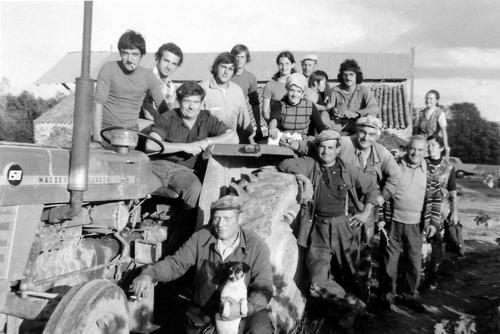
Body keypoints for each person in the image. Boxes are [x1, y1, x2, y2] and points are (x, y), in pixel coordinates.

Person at [131, 195, 274, 334]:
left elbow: (264, 286)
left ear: (239, 219)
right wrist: (150, 274)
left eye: (227, 219)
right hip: (205, 310)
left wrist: (244, 309)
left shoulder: (256, 245)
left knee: (260, 328)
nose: (220, 224)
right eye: (217, 218)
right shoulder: (201, 237)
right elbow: (176, 263)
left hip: (243, 310)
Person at [278, 129, 379, 325]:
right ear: (317, 148)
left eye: (331, 148)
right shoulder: (311, 164)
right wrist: (304, 179)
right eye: (322, 147)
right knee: (317, 283)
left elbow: (372, 189)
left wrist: (365, 213)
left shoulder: (349, 169)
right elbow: (285, 163)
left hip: (344, 227)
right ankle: (355, 306)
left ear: (338, 149)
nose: (326, 152)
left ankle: (354, 314)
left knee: (354, 275)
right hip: (318, 231)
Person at [146, 82, 238, 234]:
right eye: (187, 101)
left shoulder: (207, 119)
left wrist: (207, 141)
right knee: (133, 188)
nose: (191, 107)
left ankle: (185, 238)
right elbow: (151, 145)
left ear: (202, 104)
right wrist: (184, 146)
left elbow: (233, 137)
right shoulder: (168, 118)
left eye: (196, 102)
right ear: (179, 102)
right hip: (157, 167)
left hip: (184, 171)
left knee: (196, 191)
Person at [379, 135, 441, 312]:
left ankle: (409, 296)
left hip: (416, 225)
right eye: (412, 148)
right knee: (389, 262)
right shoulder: (394, 165)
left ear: (425, 152)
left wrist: (434, 222)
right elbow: (381, 191)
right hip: (393, 222)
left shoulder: (430, 171)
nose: (416, 152)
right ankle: (385, 298)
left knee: (414, 264)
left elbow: (437, 197)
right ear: (407, 148)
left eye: (420, 150)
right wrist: (381, 218)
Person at [93, 30, 165, 143]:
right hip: (106, 129)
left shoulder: (148, 77)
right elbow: (98, 103)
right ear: (120, 53)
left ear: (142, 55)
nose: (130, 59)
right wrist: (97, 136)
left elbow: (163, 107)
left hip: (131, 133)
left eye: (135, 54)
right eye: (125, 53)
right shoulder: (108, 69)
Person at [337, 115, 401, 237]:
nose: (366, 138)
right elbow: (323, 146)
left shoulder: (382, 153)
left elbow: (396, 177)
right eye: (362, 132)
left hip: (367, 208)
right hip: (342, 204)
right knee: (341, 243)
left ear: (377, 137)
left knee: (365, 245)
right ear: (357, 131)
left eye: (371, 134)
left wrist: (381, 199)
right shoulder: (344, 143)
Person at [424, 135, 461, 290]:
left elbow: (452, 193)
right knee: (421, 242)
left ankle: (432, 275)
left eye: (433, 145)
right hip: (421, 208)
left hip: (440, 211)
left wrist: (454, 212)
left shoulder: (449, 168)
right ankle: (417, 274)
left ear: (440, 148)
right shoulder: (421, 163)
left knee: (437, 243)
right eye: (428, 145)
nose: (430, 147)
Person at [200, 52, 254, 144]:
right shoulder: (202, 89)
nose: (226, 72)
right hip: (207, 144)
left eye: (230, 69)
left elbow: (244, 121)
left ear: (234, 71)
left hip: (231, 144)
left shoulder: (237, 90)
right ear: (216, 67)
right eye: (223, 67)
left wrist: (251, 140)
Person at [268, 73, 327, 148]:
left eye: (298, 91)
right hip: (283, 139)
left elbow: (320, 127)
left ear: (302, 93)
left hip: (301, 142)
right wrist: (272, 129)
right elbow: (274, 119)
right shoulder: (279, 104)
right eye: (292, 90)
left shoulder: (310, 105)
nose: (294, 94)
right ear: (287, 90)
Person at [325, 59, 380, 135]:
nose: (348, 78)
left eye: (351, 74)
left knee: (371, 117)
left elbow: (375, 108)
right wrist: (333, 110)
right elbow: (329, 108)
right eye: (345, 75)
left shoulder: (364, 91)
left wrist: (357, 113)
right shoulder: (335, 90)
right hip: (338, 125)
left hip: (357, 125)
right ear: (341, 76)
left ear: (357, 76)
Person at [142, 42, 184, 122]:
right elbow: (148, 114)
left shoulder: (170, 86)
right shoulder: (145, 77)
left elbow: (168, 112)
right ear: (157, 58)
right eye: (166, 61)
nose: (169, 67)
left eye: (174, 64)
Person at [230, 44, 263, 141]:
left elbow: (255, 104)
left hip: (242, 119)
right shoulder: (226, 75)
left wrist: (258, 127)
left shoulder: (250, 77)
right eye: (237, 56)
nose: (239, 60)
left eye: (242, 57)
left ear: (246, 59)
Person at [413, 90, 450, 157]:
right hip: (422, 145)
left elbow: (443, 130)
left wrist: (446, 145)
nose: (428, 100)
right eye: (426, 98)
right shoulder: (420, 113)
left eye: (431, 99)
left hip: (432, 146)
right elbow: (415, 130)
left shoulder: (440, 113)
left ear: (436, 100)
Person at [262, 51, 297, 121]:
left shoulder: (299, 84)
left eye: (287, 64)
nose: (284, 67)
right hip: (277, 129)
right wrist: (273, 125)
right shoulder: (270, 85)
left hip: (296, 127)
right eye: (281, 64)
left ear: (293, 65)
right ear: (278, 65)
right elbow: (265, 112)